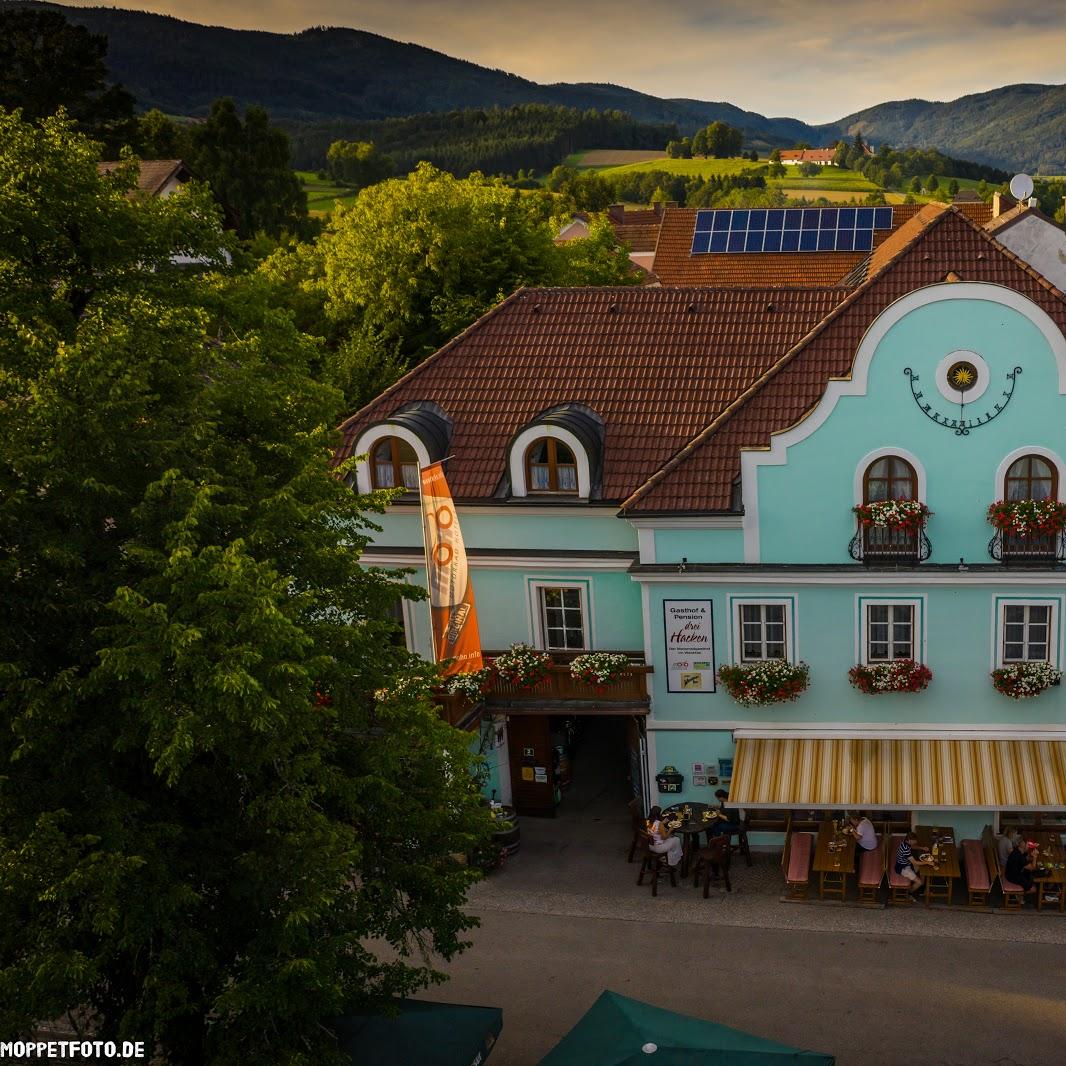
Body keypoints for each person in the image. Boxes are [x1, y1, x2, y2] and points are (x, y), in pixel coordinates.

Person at [894, 831, 933, 898]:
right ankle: (909, 893)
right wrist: (928, 862)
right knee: (919, 882)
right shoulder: (905, 849)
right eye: (914, 841)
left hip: (906, 863)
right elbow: (914, 862)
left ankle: (922, 888)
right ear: (909, 840)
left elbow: (912, 847)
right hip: (902, 868)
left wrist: (922, 848)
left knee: (922, 869)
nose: (916, 842)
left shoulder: (905, 842)